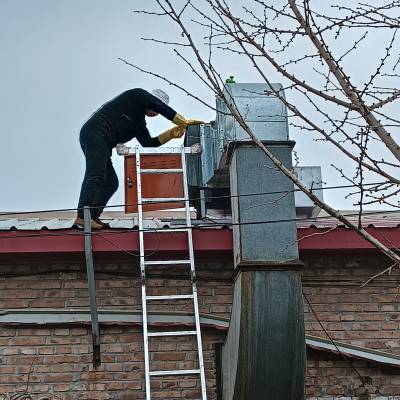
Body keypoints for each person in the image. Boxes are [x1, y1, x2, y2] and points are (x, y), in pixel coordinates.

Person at [73, 88, 202, 229]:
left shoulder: (139, 124)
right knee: (96, 173)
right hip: (94, 132)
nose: (156, 113)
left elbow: (149, 143)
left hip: (102, 141)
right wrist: (182, 122)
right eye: (156, 108)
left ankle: (92, 217)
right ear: (152, 101)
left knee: (111, 182)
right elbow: (159, 105)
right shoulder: (136, 95)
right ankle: (82, 217)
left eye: (158, 112)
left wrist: (171, 134)